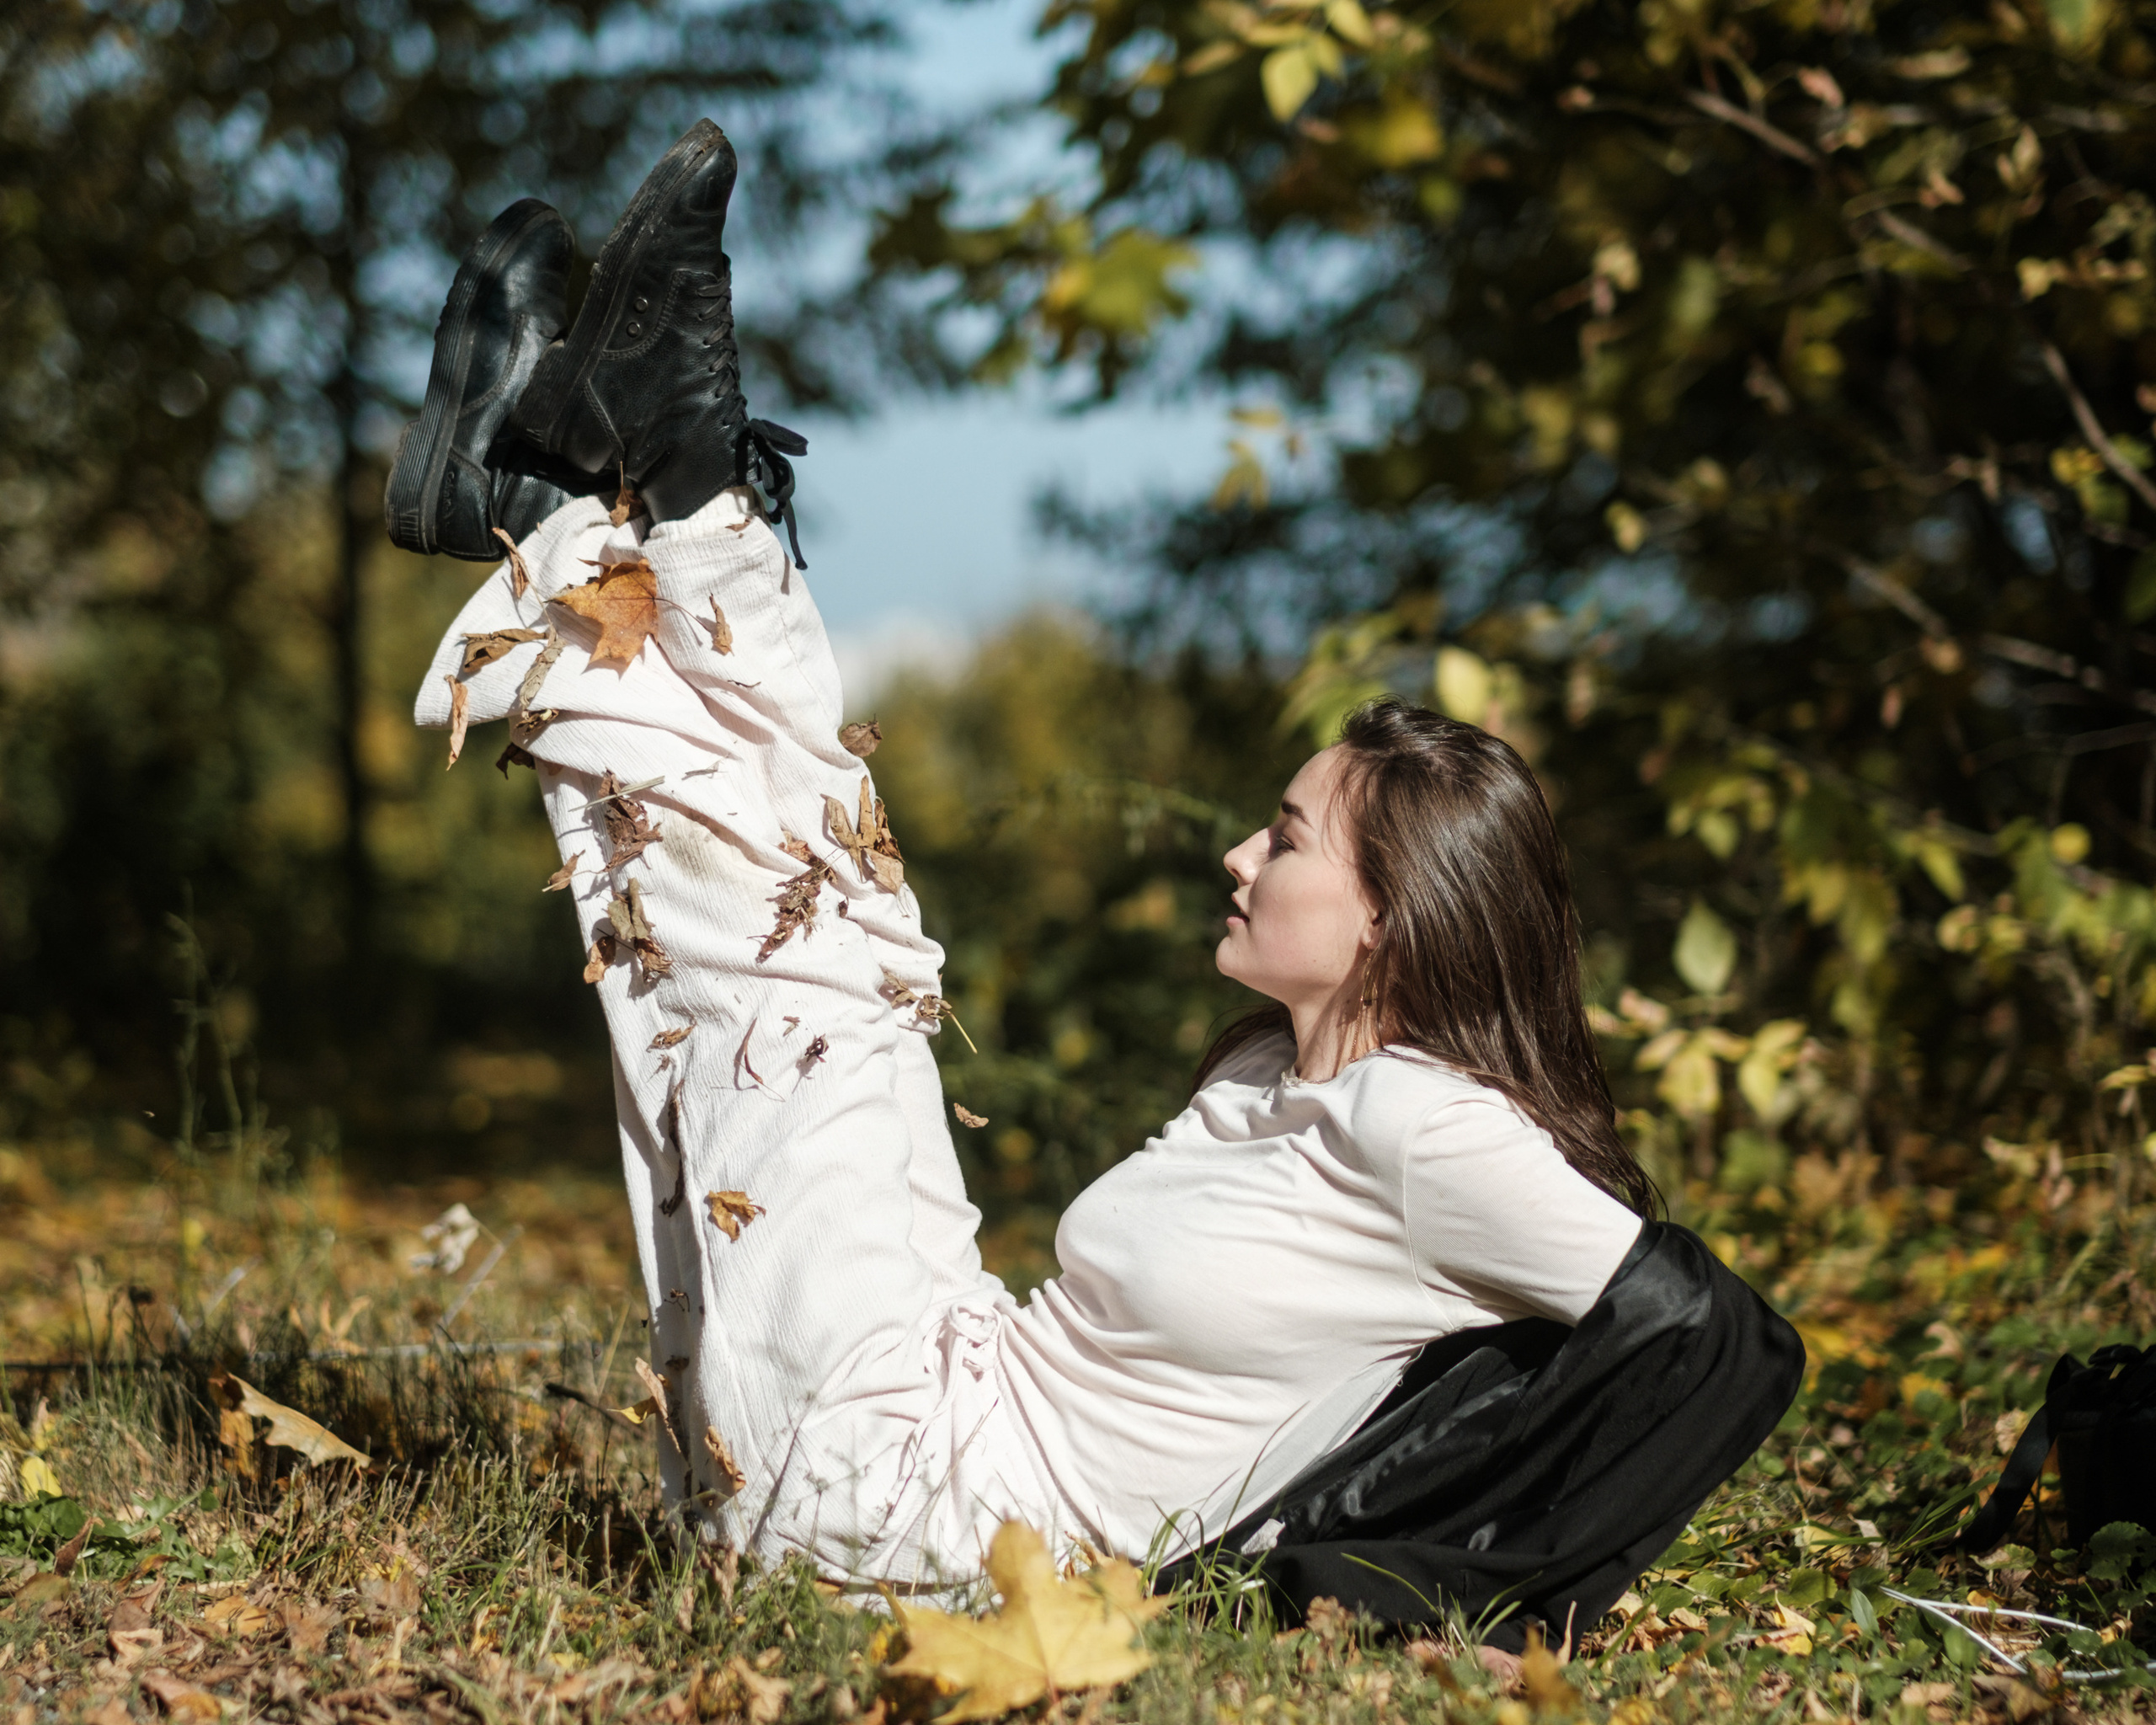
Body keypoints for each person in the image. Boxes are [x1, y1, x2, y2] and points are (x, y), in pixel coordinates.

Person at [398, 121, 1801, 1655]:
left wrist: (1446, 1573)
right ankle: (604, 492)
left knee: (790, 963)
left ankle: (632, 485)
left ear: (1395, 916)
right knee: (847, 933)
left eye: (1286, 838)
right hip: (941, 1390)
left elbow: (1718, 1347)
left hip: (912, 1506)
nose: (1239, 857)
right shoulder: (1287, 1070)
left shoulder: (1435, 1129)